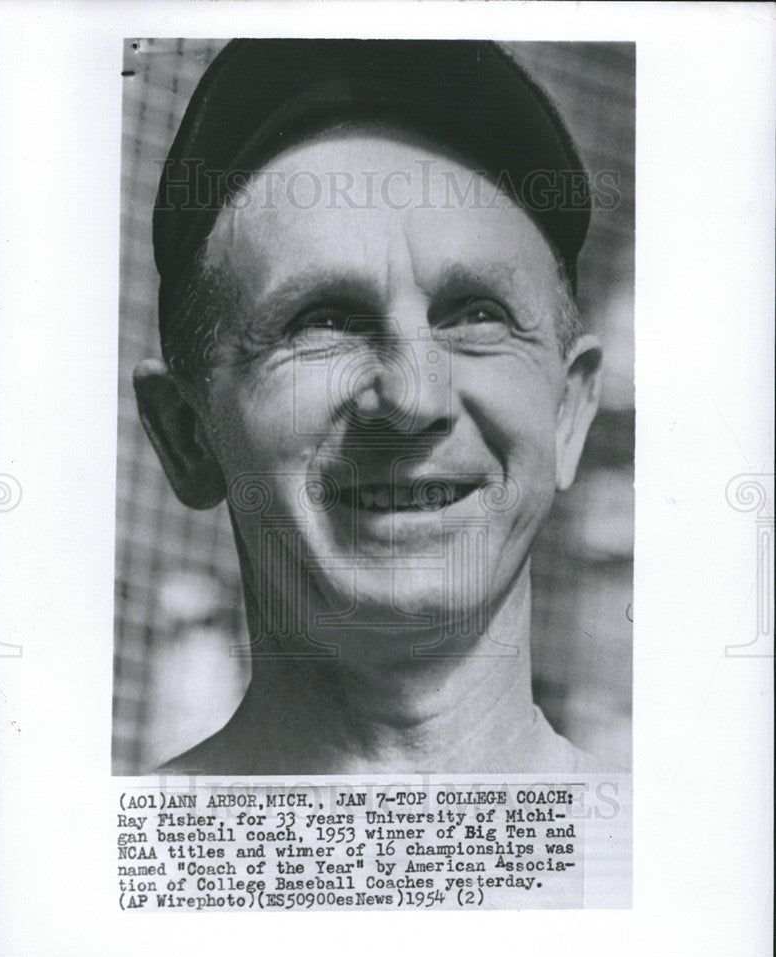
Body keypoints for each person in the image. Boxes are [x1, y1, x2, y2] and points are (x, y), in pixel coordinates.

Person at [135, 39, 607, 774]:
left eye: (476, 316)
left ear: (569, 413)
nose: (414, 399)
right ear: (186, 435)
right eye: (321, 321)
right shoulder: (102, 869)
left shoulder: (679, 860)